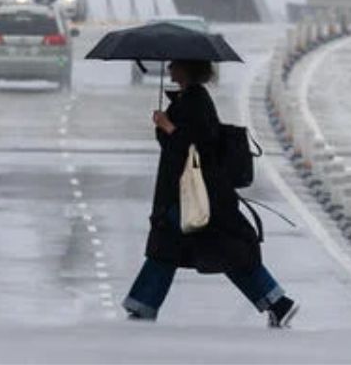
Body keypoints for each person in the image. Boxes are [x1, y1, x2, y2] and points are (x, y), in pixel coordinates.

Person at [123, 59, 299, 328]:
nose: (169, 68)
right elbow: (177, 143)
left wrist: (168, 126)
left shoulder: (196, 100)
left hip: (198, 193)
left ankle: (143, 306)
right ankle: (277, 303)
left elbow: (201, 144)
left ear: (187, 69)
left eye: (175, 65)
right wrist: (164, 124)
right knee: (202, 249)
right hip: (190, 192)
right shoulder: (187, 98)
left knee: (183, 246)